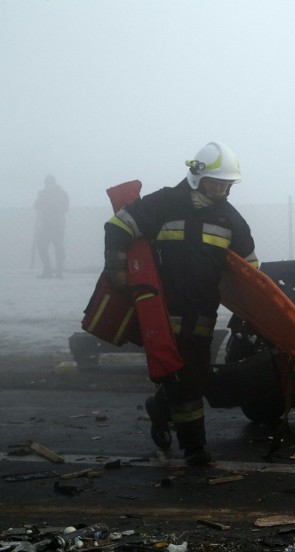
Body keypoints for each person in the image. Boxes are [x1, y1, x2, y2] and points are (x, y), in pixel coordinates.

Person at [102, 142, 257, 466]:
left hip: (202, 313)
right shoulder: (163, 203)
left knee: (194, 378)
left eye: (227, 184)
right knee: (184, 383)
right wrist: (117, 269)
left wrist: (254, 310)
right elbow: (117, 228)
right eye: (217, 182)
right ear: (197, 175)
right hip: (161, 313)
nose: (222, 189)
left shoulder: (231, 220)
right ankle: (195, 450)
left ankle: (159, 409)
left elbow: (250, 270)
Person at [33, 175, 69, 278]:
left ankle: (52, 270)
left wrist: (43, 198)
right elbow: (36, 206)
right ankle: (56, 271)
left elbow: (37, 206)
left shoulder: (48, 194)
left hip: (51, 225)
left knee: (48, 247)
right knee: (52, 247)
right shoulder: (60, 193)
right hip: (54, 225)